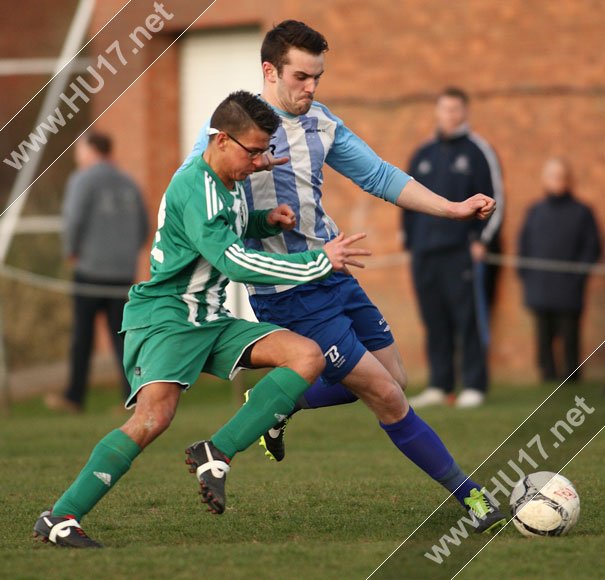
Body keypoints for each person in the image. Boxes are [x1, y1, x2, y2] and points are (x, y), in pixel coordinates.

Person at [183, 21, 506, 532]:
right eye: (301, 76)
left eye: (318, 77)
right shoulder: (226, 141)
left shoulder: (321, 123)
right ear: (269, 71)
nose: (311, 88)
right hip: (289, 293)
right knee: (389, 396)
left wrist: (451, 208)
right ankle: (474, 499)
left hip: (335, 272)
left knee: (393, 378)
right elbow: (201, 215)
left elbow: (378, 175)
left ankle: (277, 403)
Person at [33, 91, 370, 548]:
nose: (258, 162)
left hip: (210, 318)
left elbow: (224, 230)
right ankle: (60, 517)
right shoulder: (194, 185)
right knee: (154, 419)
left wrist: (266, 222)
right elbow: (233, 261)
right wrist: (317, 262)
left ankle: (218, 451)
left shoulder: (228, 183)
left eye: (263, 152)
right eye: (252, 152)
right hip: (167, 317)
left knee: (305, 356)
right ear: (221, 139)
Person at [403, 87, 504, 409]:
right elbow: (405, 199)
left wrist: (481, 240)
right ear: (437, 112)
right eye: (445, 109)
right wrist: (408, 240)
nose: (450, 115)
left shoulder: (478, 151)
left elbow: (495, 200)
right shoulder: (423, 154)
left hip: (461, 251)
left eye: (456, 109)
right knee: (434, 319)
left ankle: (474, 384)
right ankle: (439, 384)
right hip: (424, 252)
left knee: (467, 318)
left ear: (465, 112)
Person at [45, 132, 149, 413]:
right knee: (123, 338)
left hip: (90, 271)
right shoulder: (129, 182)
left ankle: (74, 397)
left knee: (82, 338)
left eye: (80, 149)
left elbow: (73, 219)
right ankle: (133, 397)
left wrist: (71, 250)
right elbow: (143, 227)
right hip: (122, 273)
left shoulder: (82, 179)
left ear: (91, 151)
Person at [518, 157, 601, 382]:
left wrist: (578, 276)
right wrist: (528, 277)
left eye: (561, 177)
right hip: (540, 286)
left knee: (570, 334)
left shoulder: (582, 212)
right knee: (544, 335)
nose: (557, 181)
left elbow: (592, 246)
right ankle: (548, 376)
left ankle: (572, 376)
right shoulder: (535, 211)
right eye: (552, 176)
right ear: (544, 180)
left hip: (568, 288)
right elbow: (524, 246)